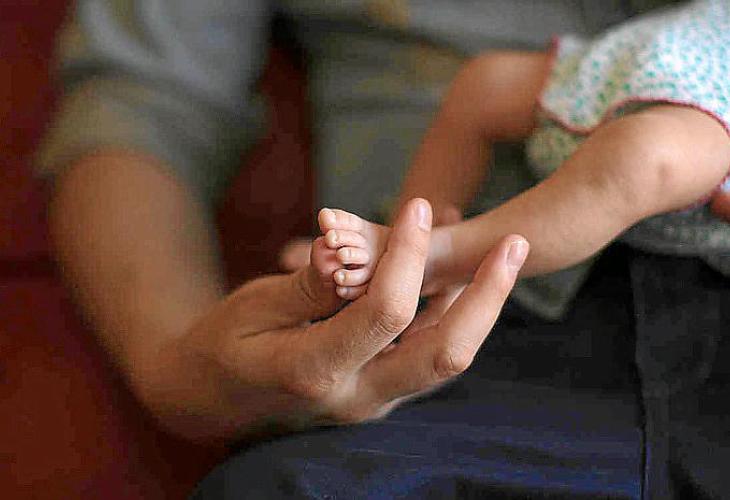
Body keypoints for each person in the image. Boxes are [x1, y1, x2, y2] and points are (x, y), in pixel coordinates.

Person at [36, 0, 730, 497]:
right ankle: (414, 250)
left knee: (655, 156)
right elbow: (139, 107)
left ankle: (423, 251)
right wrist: (175, 369)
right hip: (434, 360)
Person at [311, 0, 730, 305]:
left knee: (646, 159)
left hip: (709, 118)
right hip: (674, 52)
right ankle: (408, 231)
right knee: (485, 82)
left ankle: (433, 256)